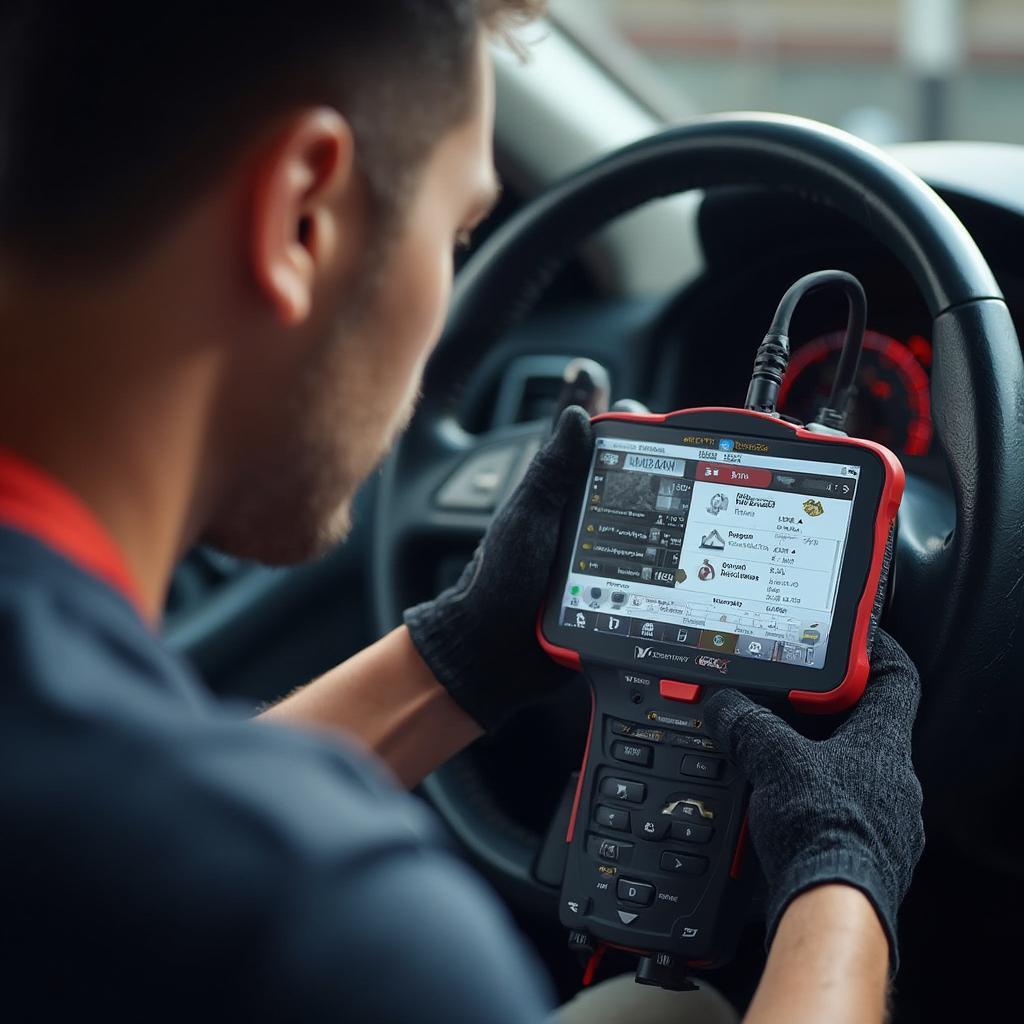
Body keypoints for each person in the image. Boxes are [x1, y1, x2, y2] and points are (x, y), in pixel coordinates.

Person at [0, 3, 924, 1021]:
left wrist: (456, 658)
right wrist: (844, 874)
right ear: (301, 216)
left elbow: (145, 837)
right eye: (455, 232)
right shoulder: (335, 932)